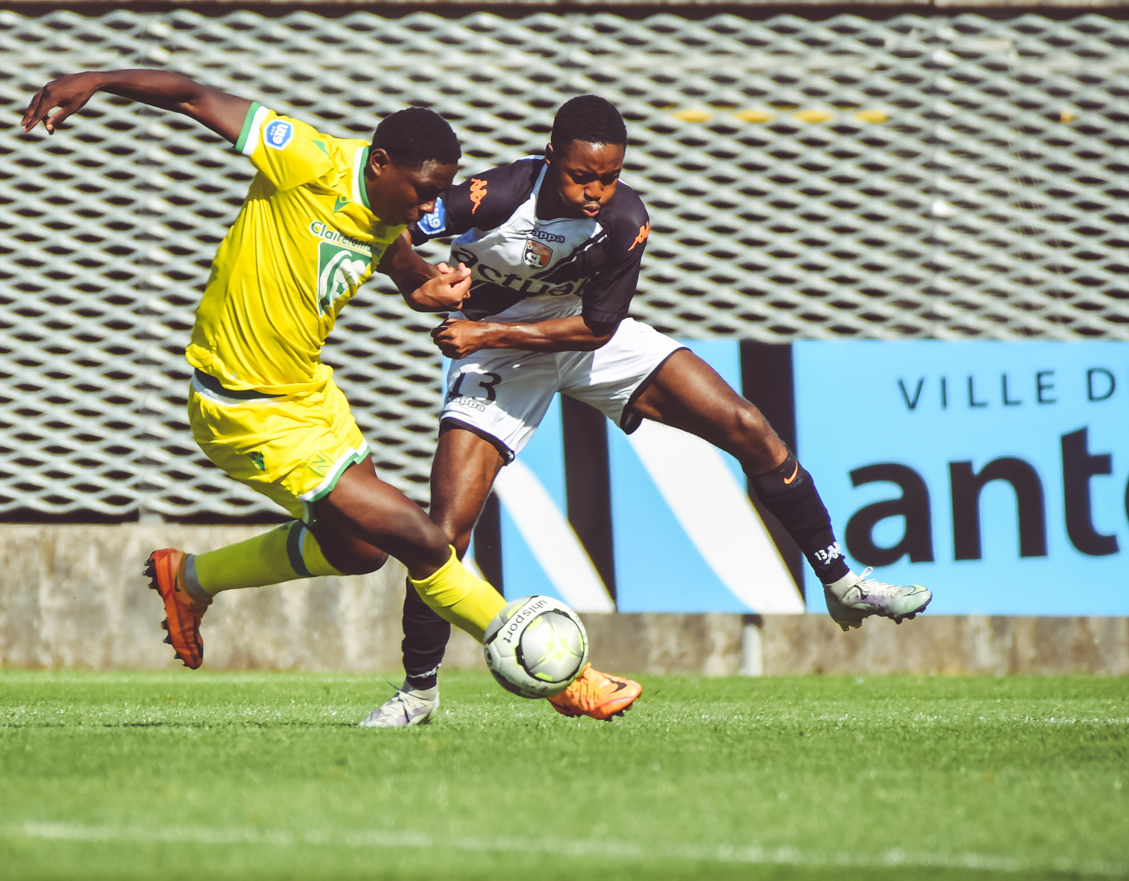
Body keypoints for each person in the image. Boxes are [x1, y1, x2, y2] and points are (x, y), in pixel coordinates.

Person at [360, 95, 932, 728]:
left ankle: (840, 581)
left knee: (748, 427)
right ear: (552, 158)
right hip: (497, 355)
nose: (596, 191)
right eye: (582, 176)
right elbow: (391, 225)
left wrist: (485, 334)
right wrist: (418, 279)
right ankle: (418, 693)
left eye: (608, 176)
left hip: (565, 338)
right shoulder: (490, 198)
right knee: (445, 531)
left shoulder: (626, 218)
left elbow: (599, 327)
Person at [21, 69, 511, 669]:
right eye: (423, 191)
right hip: (244, 408)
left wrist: (429, 287)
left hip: (307, 395)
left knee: (360, 550)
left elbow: (402, 266)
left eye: (440, 192)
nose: (431, 206)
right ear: (379, 163)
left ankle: (192, 578)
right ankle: (547, 663)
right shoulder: (306, 159)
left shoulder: (386, 213)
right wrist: (97, 81)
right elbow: (195, 95)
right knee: (422, 539)